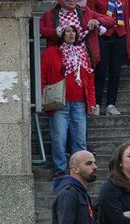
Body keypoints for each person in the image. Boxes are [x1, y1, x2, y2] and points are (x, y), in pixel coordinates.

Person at [41, 24, 96, 175]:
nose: (71, 34)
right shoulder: (51, 52)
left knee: (80, 140)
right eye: (68, 31)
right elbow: (42, 75)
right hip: (59, 103)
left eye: (74, 31)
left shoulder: (82, 52)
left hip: (79, 102)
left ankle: (80, 170)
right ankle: (60, 170)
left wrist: (91, 102)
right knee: (59, 139)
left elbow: (90, 79)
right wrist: (41, 97)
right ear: (61, 34)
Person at [87, 0, 130, 116]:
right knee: (100, 71)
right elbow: (89, 14)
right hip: (102, 35)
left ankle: (111, 103)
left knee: (115, 71)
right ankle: (97, 103)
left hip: (120, 34)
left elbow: (126, 15)